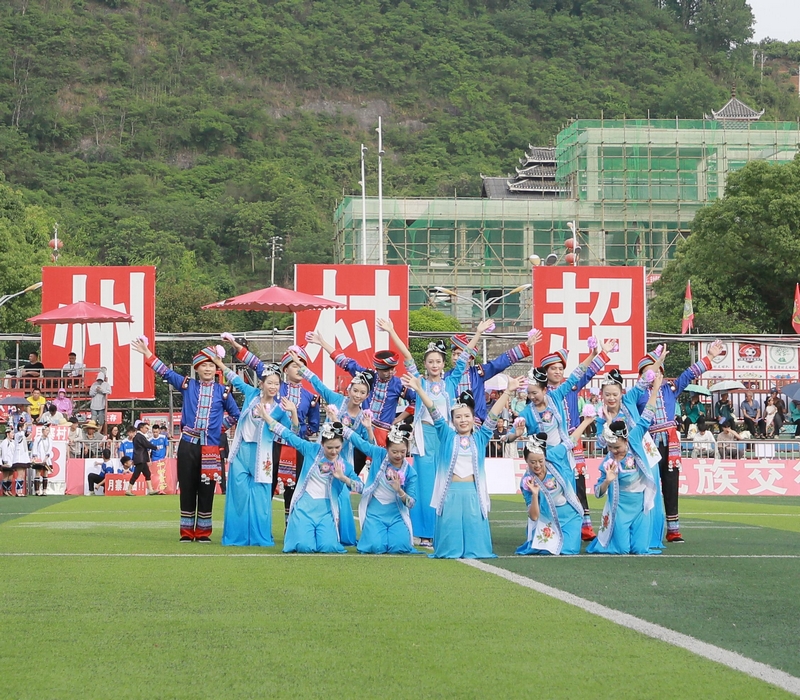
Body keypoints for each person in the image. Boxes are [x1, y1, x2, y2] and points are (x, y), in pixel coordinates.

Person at [377, 317, 487, 548]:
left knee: (444, 483)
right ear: (425, 364)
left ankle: (441, 530)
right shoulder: (419, 382)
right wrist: (392, 330)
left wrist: (477, 333)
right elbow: (407, 357)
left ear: (443, 363)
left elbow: (464, 357)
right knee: (425, 485)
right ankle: (422, 533)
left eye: (438, 361)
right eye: (430, 361)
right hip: (424, 438)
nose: (435, 365)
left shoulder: (451, 380)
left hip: (446, 439)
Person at [133, 338, 240, 542]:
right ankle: (186, 531)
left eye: (211, 365)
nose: (208, 369)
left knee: (207, 488)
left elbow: (236, 415)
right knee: (188, 486)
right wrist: (147, 353)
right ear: (197, 368)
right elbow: (165, 372)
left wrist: (217, 428)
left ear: (216, 368)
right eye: (204, 365)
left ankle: (203, 532)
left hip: (210, 446)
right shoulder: (187, 385)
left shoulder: (223, 392)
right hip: (188, 444)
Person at [402, 374, 518, 559]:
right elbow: (433, 410)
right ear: (452, 420)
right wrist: (419, 390)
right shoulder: (447, 436)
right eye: (458, 417)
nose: (463, 420)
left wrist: (507, 392)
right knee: (450, 540)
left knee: (475, 541)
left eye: (466, 416)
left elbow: (493, 415)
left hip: (473, 492)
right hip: (451, 492)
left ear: (473, 418)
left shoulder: (480, 438)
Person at [630, 341, 723, 543]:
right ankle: (645, 528)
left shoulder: (670, 389)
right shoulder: (638, 394)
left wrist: (710, 356)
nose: (654, 375)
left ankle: (673, 530)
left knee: (671, 485)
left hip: (670, 443)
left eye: (657, 370)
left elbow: (689, 374)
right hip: (649, 443)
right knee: (648, 485)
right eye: (649, 371)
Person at [225, 337, 320, 526]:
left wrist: (298, 432)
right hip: (272, 445)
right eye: (294, 365)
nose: (299, 369)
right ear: (285, 369)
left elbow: (314, 426)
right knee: (266, 485)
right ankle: (260, 524)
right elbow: (257, 365)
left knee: (295, 488)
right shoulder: (276, 386)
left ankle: (291, 527)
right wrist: (238, 348)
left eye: (302, 365)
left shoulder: (311, 397)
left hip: (296, 448)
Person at [210, 353, 297, 548]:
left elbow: (294, 431)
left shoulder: (280, 408)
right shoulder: (251, 395)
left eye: (277, 384)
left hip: (263, 455)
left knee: (260, 499)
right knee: (238, 497)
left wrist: (293, 412)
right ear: (262, 383)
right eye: (270, 383)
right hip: (241, 451)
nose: (273, 387)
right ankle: (236, 537)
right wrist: (218, 363)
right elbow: (235, 379)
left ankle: (260, 537)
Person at [535, 341, 615, 540]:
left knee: (578, 481)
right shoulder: (541, 394)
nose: (557, 371)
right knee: (553, 483)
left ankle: (584, 525)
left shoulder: (570, 386)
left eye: (561, 368)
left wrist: (602, 353)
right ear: (546, 371)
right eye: (553, 368)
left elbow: (587, 373)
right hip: (552, 445)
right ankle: (552, 524)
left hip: (573, 439)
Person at [296, 351, 375, 547]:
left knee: (340, 496)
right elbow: (318, 385)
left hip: (342, 460)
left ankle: (338, 534)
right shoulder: (336, 400)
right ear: (349, 389)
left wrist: (368, 428)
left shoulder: (363, 417)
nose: (358, 395)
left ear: (366, 395)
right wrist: (301, 366)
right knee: (314, 490)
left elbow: (369, 446)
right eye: (355, 391)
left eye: (362, 393)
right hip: (321, 455)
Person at [261, 416, 363, 554]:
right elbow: (288, 435)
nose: (333, 451)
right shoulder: (311, 450)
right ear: (322, 444)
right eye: (329, 447)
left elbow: (362, 488)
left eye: (337, 447)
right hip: (305, 508)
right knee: (304, 547)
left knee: (328, 547)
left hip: (326, 511)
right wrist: (267, 418)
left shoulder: (345, 466)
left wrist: (344, 478)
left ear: (342, 444)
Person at [587, 372, 663, 555]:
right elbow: (601, 443)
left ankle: (651, 535)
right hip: (620, 496)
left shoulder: (633, 431)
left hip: (642, 459)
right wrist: (608, 423)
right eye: (607, 394)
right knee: (620, 549)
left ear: (621, 393)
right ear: (601, 395)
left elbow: (646, 414)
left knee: (639, 549)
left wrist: (655, 389)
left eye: (615, 394)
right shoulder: (609, 459)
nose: (611, 398)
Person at [304, 331, 417, 449]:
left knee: (375, 465)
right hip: (360, 427)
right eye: (385, 370)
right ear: (377, 369)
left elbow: (415, 400)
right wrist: (322, 343)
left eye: (391, 369)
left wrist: (398, 419)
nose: (389, 373)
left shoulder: (398, 384)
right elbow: (344, 362)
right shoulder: (368, 376)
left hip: (382, 433)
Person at [341, 419, 419, 554]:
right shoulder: (379, 454)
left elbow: (411, 503)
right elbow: (360, 442)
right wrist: (340, 425)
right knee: (375, 546)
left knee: (400, 547)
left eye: (402, 451)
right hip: (375, 511)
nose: (399, 455)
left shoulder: (410, 472)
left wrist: (399, 490)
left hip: (396, 513)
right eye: (394, 452)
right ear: (387, 448)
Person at [516, 424, 592, 556]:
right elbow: (533, 516)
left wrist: (587, 420)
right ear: (526, 461)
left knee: (568, 550)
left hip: (570, 516)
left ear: (545, 456)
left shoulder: (554, 456)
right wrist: (534, 495)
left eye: (540, 461)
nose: (537, 465)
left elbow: (571, 441)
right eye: (532, 462)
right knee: (546, 550)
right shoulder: (527, 482)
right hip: (546, 519)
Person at [444, 330, 541, 424]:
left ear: (469, 358)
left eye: (459, 355)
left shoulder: (478, 373)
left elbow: (498, 363)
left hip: (476, 423)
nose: (455, 358)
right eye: (453, 354)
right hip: (453, 424)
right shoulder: (446, 377)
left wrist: (525, 345)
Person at [126, 421, 159, 496]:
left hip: (141, 458)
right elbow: (147, 444)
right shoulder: (139, 436)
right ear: (141, 428)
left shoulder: (137, 437)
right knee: (136, 474)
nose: (147, 429)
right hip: (140, 459)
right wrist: (155, 447)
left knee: (147, 474)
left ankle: (150, 489)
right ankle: (128, 490)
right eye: (145, 428)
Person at [30, 425, 53, 496]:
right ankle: (37, 490)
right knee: (38, 473)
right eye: (46, 430)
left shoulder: (50, 439)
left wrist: (46, 457)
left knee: (45, 473)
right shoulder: (38, 439)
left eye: (48, 430)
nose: (47, 432)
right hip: (39, 458)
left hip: (46, 459)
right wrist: (35, 456)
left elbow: (50, 448)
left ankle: (44, 490)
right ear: (42, 431)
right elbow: (35, 448)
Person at [10, 420, 32, 497]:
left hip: (23, 457)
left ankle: (20, 491)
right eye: (22, 427)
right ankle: (18, 491)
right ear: (20, 428)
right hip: (18, 457)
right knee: (19, 474)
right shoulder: (17, 435)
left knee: (22, 474)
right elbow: (21, 437)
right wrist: (24, 429)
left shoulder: (22, 434)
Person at [1, 430, 14, 496]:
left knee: (11, 476)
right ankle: (4, 490)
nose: (13, 434)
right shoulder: (5, 442)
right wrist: (5, 461)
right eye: (11, 433)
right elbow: (4, 452)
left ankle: (9, 489)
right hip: (6, 461)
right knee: (5, 476)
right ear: (7, 434)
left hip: (11, 461)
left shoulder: (12, 442)